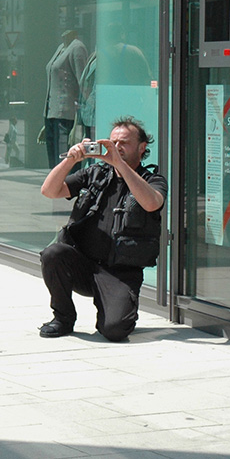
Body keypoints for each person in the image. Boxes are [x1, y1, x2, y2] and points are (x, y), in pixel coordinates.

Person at [38, 116, 166, 342]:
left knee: (115, 331)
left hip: (120, 271)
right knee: (53, 253)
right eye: (113, 142)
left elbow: (152, 203)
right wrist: (70, 160)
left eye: (124, 143)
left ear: (141, 148)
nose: (117, 147)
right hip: (83, 264)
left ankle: (118, 308)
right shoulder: (95, 173)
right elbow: (49, 191)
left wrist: (120, 165)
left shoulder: (152, 179)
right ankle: (63, 318)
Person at [42, 29, 89, 166]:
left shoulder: (77, 48)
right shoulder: (61, 47)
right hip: (51, 113)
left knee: (65, 161)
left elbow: (82, 81)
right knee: (54, 161)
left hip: (66, 115)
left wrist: (81, 114)